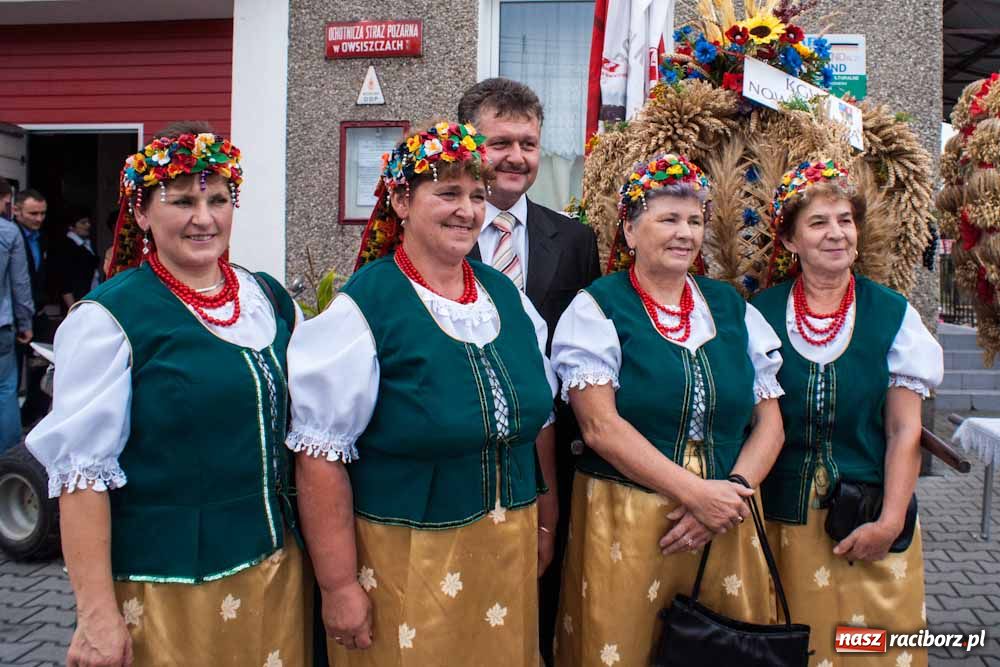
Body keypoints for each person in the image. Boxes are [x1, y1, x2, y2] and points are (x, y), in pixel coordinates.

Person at [26, 122, 313, 667]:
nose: (204, 218)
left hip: (278, 570)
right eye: (182, 201)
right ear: (140, 213)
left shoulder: (268, 299)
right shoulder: (109, 320)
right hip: (170, 585)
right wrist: (96, 614)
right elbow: (81, 477)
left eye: (218, 200)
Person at [288, 121, 558, 665]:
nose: (467, 210)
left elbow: (540, 424)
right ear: (402, 201)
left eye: (477, 195)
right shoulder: (367, 307)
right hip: (407, 559)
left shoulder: (506, 296)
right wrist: (338, 585)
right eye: (448, 193)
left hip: (507, 552)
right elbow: (319, 457)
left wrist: (546, 522)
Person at [550, 153, 786, 667]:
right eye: (669, 219)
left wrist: (731, 493)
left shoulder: (731, 306)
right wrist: (697, 495)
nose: (685, 233)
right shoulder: (598, 308)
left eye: (695, 221)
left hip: (727, 515)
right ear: (630, 231)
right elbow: (599, 426)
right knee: (627, 646)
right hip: (632, 518)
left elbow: (770, 423)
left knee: (724, 649)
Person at [753, 160, 943, 667]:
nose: (837, 233)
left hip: (869, 518)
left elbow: (904, 429)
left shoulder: (893, 314)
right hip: (780, 527)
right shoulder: (759, 315)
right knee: (793, 647)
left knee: (872, 649)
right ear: (790, 240)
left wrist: (890, 522)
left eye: (845, 220)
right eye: (818, 222)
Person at [458, 77, 602, 661]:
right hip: (463, 448)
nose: (516, 157)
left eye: (529, 144)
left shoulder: (575, 239)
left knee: (543, 592)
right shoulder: (435, 228)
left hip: (552, 452)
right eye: (500, 143)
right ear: (469, 146)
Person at [0, 178, 33, 453]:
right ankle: (7, 459)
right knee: (5, 389)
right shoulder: (9, 232)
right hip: (2, 323)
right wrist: (25, 322)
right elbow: (19, 282)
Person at [53, 211, 100, 309]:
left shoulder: (85, 243)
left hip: (89, 296)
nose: (88, 225)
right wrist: (73, 309)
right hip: (76, 300)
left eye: (88, 222)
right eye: (83, 223)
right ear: (71, 226)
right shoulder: (66, 246)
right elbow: (64, 281)